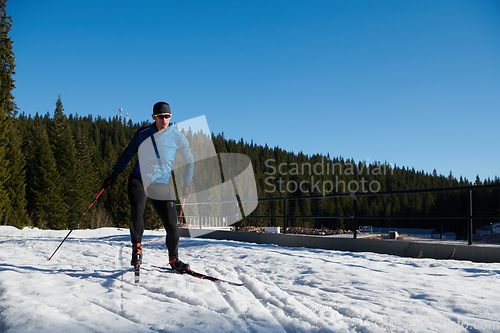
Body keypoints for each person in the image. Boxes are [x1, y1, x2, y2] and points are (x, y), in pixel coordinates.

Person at [102, 102, 194, 273]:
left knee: (172, 224)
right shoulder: (143, 133)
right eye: (161, 117)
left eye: (168, 116)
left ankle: (174, 259)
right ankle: (137, 251)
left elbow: (189, 161)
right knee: (138, 209)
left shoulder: (177, 137)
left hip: (160, 184)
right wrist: (114, 174)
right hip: (138, 180)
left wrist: (186, 183)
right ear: (154, 117)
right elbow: (128, 153)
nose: (164, 120)